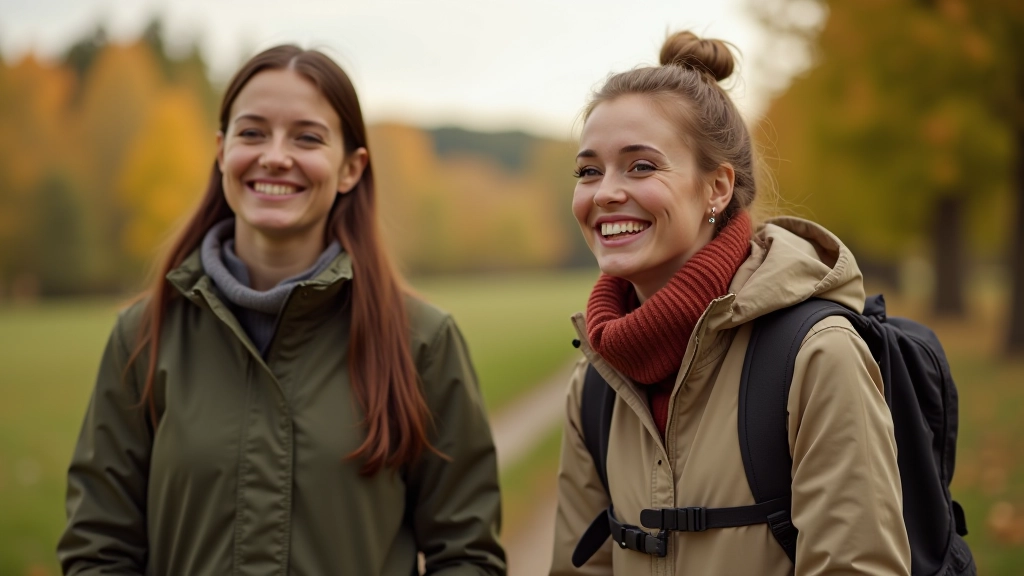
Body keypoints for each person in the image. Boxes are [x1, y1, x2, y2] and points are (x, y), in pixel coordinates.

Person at [58, 45, 505, 576]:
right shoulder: (143, 335)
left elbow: (468, 556)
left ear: (350, 168)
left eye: (307, 137)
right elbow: (98, 549)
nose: (274, 155)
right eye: (252, 133)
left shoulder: (423, 343)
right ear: (221, 152)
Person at [549, 31, 911, 575]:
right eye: (588, 170)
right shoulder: (596, 385)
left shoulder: (816, 357)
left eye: (641, 166)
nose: (603, 193)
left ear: (717, 188)